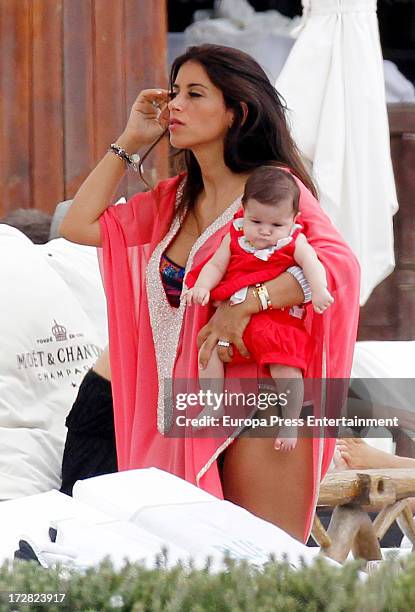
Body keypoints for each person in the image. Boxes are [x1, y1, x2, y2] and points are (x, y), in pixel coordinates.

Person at [60, 44, 360, 542]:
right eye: (174, 92)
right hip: (179, 407)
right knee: (188, 577)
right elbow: (79, 224)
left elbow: (336, 266)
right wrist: (131, 139)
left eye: (194, 94)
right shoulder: (171, 202)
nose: (174, 104)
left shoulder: (271, 190)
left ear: (236, 112)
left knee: (264, 570)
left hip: (259, 399)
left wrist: (247, 304)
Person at [183, 166, 333, 450]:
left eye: (276, 226)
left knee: (286, 368)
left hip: (275, 322)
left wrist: (320, 289)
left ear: (294, 220)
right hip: (230, 322)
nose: (265, 231)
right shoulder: (236, 236)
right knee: (208, 356)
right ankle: (212, 404)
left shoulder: (293, 241)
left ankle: (289, 421)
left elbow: (313, 263)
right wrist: (202, 287)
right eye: (256, 221)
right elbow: (216, 265)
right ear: (243, 211)